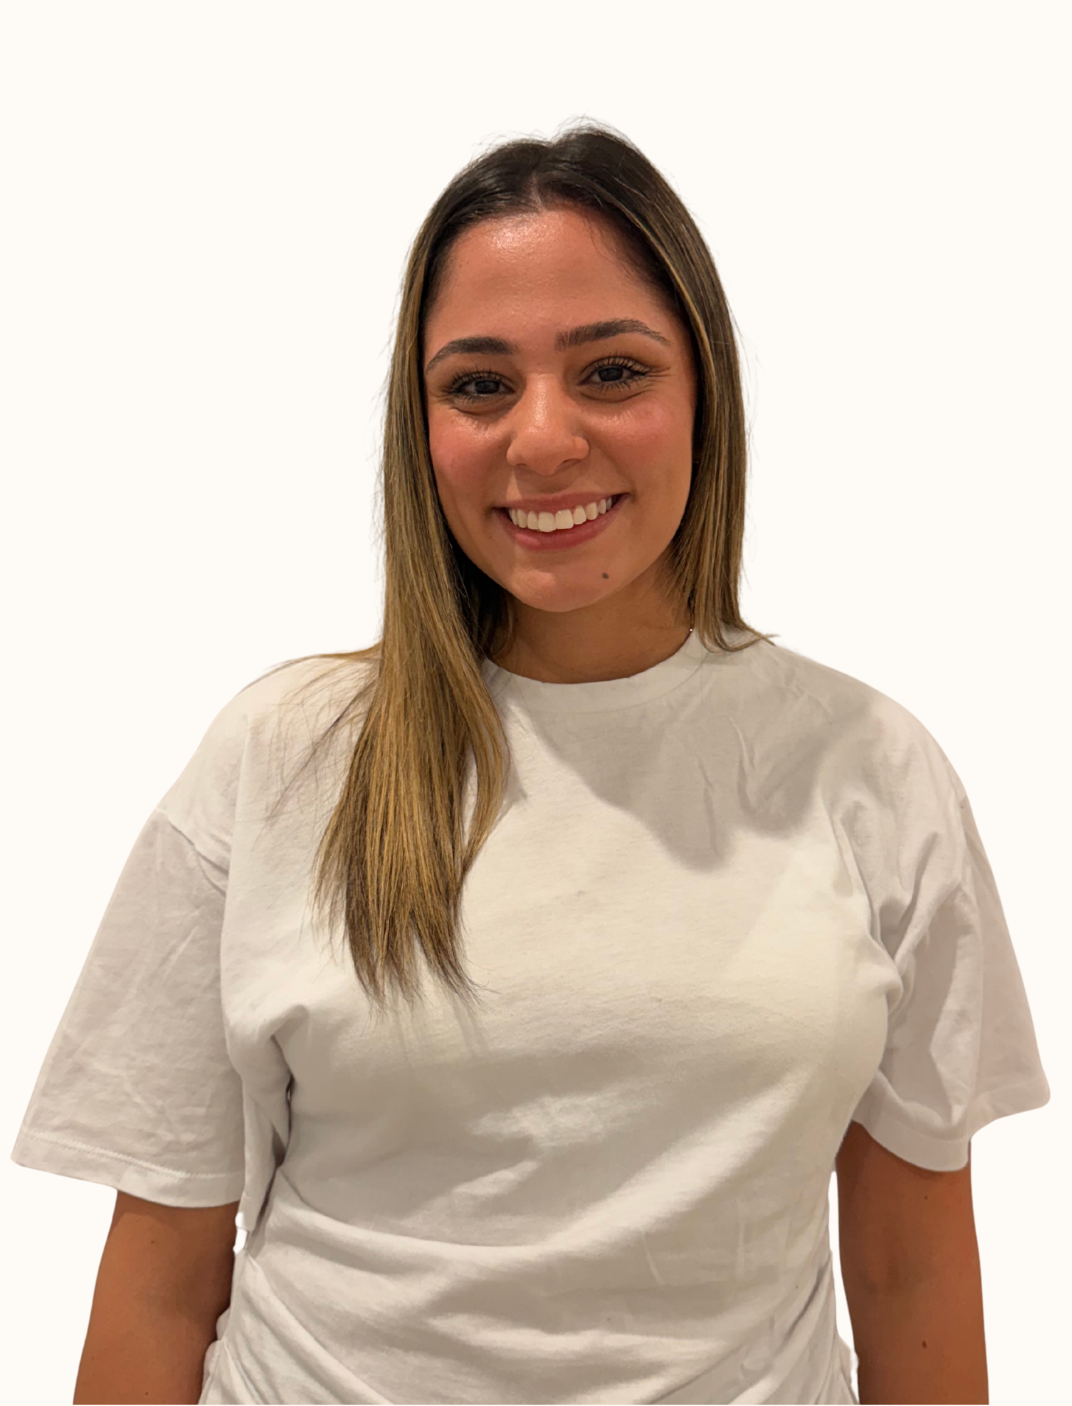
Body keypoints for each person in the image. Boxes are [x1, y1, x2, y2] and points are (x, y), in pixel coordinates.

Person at [11, 119, 1050, 1406]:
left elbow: (908, 1267)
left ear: (705, 393)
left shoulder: (872, 769)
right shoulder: (281, 758)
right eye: (479, 385)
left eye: (611, 371)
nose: (542, 439)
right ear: (420, 424)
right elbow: (163, 1270)